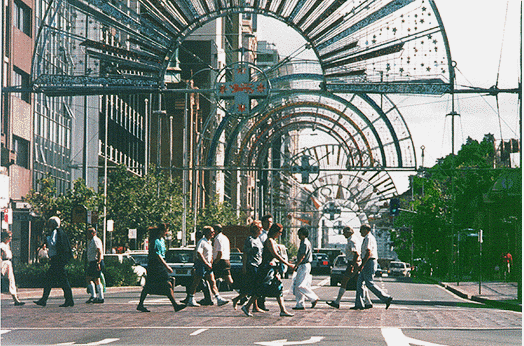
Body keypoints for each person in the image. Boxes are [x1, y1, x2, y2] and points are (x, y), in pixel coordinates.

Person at [242, 223, 294, 317]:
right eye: (279, 232)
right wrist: (288, 264)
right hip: (266, 269)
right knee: (261, 289)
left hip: (271, 269)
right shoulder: (269, 241)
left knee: (278, 288)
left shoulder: (273, 241)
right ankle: (247, 306)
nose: (280, 234)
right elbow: (275, 255)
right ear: (275, 231)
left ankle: (283, 310)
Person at [137, 224, 186, 312]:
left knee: (152, 285)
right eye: (165, 231)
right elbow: (157, 255)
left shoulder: (162, 240)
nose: (166, 232)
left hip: (159, 263)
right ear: (161, 231)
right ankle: (175, 305)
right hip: (155, 265)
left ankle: (141, 304)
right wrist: (166, 266)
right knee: (166, 284)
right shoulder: (155, 241)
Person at [327, 226, 371, 309]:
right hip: (355, 263)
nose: (343, 234)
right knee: (360, 283)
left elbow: (356, 254)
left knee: (344, 282)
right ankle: (368, 302)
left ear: (349, 232)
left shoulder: (351, 241)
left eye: (344, 232)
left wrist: (352, 266)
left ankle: (337, 302)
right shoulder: (354, 239)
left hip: (353, 263)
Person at [34, 216, 74, 307]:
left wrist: (47, 238)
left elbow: (52, 243)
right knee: (53, 279)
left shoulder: (55, 232)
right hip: (58, 260)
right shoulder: (60, 232)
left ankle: (68, 300)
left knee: (59, 280)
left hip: (57, 260)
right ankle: (45, 300)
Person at [185, 226, 228, 307]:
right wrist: (206, 263)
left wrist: (211, 261)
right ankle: (191, 299)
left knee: (212, 281)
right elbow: (199, 253)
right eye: (212, 232)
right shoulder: (202, 242)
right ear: (207, 233)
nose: (213, 233)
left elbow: (209, 254)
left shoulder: (209, 242)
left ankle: (218, 298)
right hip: (201, 264)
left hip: (208, 264)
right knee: (196, 282)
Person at [353, 224, 393, 310]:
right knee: (359, 282)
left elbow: (368, 252)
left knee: (369, 283)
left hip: (369, 261)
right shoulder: (368, 238)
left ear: (366, 230)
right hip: (369, 261)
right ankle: (359, 304)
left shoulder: (368, 238)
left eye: (361, 230)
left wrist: (362, 265)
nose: (360, 232)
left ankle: (386, 298)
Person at [231, 221, 264, 311]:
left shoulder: (258, 239)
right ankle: (249, 304)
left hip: (258, 264)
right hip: (251, 265)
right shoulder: (250, 239)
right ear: (255, 229)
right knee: (253, 287)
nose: (261, 230)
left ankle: (250, 305)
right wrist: (244, 266)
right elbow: (245, 253)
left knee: (253, 287)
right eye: (260, 228)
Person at [292, 227, 318, 310]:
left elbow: (302, 256)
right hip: (304, 265)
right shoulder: (304, 242)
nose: (298, 235)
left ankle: (313, 298)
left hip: (303, 265)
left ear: (303, 234)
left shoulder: (304, 243)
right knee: (298, 286)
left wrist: (296, 265)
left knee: (300, 286)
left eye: (299, 234)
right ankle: (300, 304)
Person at [1, 231, 24, 306]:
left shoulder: (7, 245)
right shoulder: (1, 245)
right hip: (3, 263)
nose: (10, 238)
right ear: (5, 237)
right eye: (9, 237)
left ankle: (16, 300)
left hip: (8, 263)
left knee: (11, 281)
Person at [257, 213, 273, 311]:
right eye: (267, 222)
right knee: (261, 283)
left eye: (270, 222)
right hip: (261, 262)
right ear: (262, 223)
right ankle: (259, 303)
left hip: (267, 261)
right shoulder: (261, 235)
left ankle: (260, 303)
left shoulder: (268, 234)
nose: (269, 224)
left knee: (264, 283)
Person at [85, 228, 105, 304]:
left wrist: (98, 262)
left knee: (92, 279)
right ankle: (98, 296)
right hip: (92, 262)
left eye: (88, 233)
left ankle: (96, 296)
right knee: (95, 279)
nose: (87, 235)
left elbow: (99, 251)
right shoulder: (90, 241)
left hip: (95, 262)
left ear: (93, 233)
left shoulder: (95, 240)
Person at [212, 224, 234, 292]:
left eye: (213, 231)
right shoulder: (225, 237)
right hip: (226, 260)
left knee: (211, 278)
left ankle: (210, 296)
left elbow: (220, 252)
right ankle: (241, 294)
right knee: (228, 279)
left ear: (216, 230)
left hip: (220, 261)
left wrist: (215, 262)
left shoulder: (218, 239)